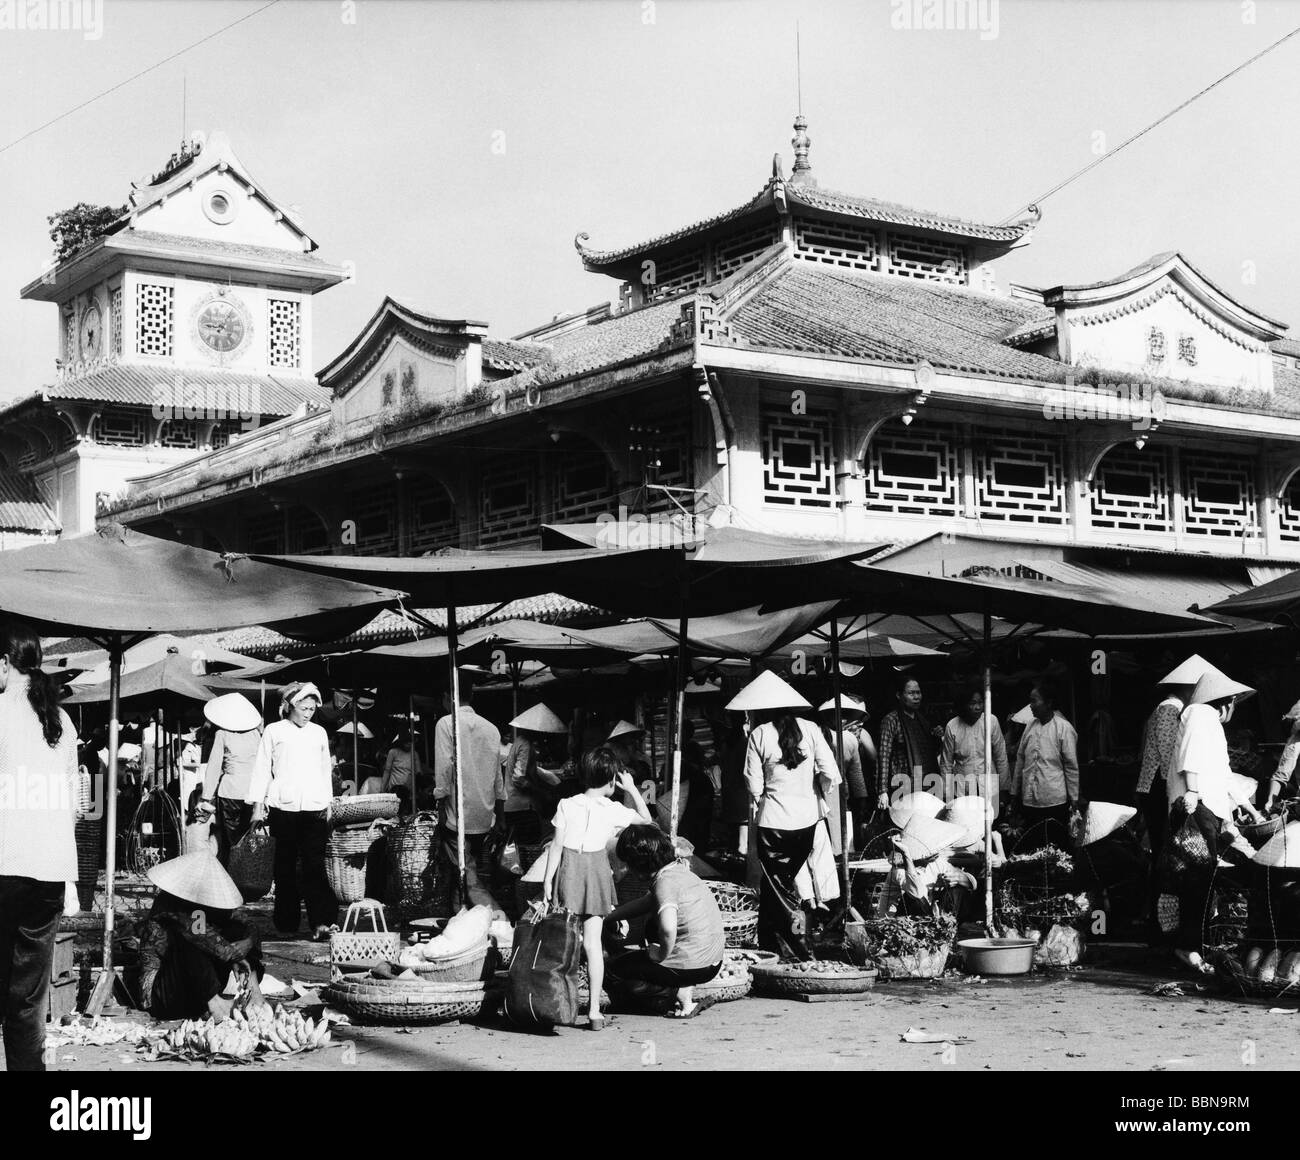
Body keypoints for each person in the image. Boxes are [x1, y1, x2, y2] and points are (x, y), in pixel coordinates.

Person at [0, 620, 79, 1072]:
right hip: (49, 871)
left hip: (6, 863)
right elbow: (71, 805)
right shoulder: (62, 721)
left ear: (5, 664)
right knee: (27, 999)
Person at [541, 746, 653, 1030]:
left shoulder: (567, 804)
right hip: (597, 873)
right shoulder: (613, 809)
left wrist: (547, 881)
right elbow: (647, 820)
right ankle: (593, 1013)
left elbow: (556, 846)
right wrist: (632, 789)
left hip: (569, 871)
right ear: (612, 779)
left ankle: (557, 1005)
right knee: (593, 945)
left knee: (565, 944)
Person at [733, 670, 841, 960]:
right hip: (806, 823)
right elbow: (831, 774)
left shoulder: (759, 734)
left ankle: (800, 949)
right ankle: (771, 947)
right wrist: (814, 791)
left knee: (779, 889)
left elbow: (754, 786)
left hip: (772, 824)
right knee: (778, 888)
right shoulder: (812, 729)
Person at [1159, 668, 1258, 973]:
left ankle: (1190, 946)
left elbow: (1224, 773)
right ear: (1225, 702)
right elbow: (1190, 755)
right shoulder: (1201, 713)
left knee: (1199, 880)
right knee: (1195, 880)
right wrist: (1192, 790)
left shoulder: (1211, 722)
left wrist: (1248, 808)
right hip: (1195, 807)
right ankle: (1186, 948)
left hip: (1207, 809)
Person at [245, 682, 336, 939]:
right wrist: (257, 807)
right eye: (303, 708)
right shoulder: (274, 731)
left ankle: (321, 922)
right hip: (282, 806)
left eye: (311, 709)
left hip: (314, 806)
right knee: (283, 865)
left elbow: (323, 770)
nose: (308, 713)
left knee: (315, 865)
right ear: (290, 706)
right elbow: (262, 769)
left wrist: (328, 803)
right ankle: (286, 922)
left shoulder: (318, 733)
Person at [605, 825, 725, 1019]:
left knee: (612, 969)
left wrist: (660, 954)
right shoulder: (678, 871)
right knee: (651, 927)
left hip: (693, 966)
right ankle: (681, 990)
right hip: (712, 962)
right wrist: (609, 917)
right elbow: (646, 903)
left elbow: (668, 930)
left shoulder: (664, 883)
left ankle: (666, 996)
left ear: (638, 864)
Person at [137, 851, 265, 1021]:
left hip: (196, 991)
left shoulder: (205, 904)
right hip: (163, 996)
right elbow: (198, 933)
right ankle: (215, 1005)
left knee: (236, 930)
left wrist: (247, 942)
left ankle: (254, 992)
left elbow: (249, 924)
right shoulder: (168, 903)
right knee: (191, 940)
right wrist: (234, 956)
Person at [434, 676, 504, 911]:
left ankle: (496, 916)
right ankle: (461, 920)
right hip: (484, 815)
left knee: (466, 874)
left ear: (447, 696)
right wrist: (500, 815)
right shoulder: (492, 729)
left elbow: (444, 768)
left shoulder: (446, 723)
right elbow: (498, 777)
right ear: (471, 695)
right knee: (462, 873)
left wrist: (441, 805)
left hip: (457, 814)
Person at [1137, 656, 1211, 865]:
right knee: (1165, 845)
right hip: (1158, 784)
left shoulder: (1178, 708)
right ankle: (1160, 892)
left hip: (1161, 783)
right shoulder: (1170, 707)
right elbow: (1169, 753)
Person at [1008, 680, 1080, 853]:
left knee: (1056, 847)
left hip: (1054, 800)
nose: (1031, 706)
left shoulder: (1064, 728)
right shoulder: (1029, 727)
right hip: (1029, 799)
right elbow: (1020, 761)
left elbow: (1071, 767)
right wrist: (1014, 793)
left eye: (1034, 701)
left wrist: (1074, 798)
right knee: (1033, 847)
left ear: (1048, 703)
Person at [198, 693, 264, 867]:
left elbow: (214, 767)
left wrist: (205, 797)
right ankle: (246, 877)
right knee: (249, 838)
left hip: (229, 792)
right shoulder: (256, 734)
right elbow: (262, 766)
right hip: (252, 793)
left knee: (229, 842)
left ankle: (231, 880)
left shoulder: (222, 734)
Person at [940, 682, 1009, 811]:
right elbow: (946, 764)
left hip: (989, 786)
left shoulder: (991, 721)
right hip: (963, 788)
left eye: (980, 702)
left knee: (989, 824)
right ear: (962, 705)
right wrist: (947, 794)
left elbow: (1001, 757)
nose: (977, 707)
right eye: (972, 703)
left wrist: (1004, 789)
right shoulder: (952, 726)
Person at [876, 676, 941, 811]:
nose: (916, 697)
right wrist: (882, 790)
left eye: (918, 692)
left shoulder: (922, 719)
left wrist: (936, 737)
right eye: (911, 693)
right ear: (899, 695)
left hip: (926, 782)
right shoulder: (891, 720)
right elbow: (883, 756)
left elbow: (931, 751)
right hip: (902, 783)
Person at [504, 703, 569, 829]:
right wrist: (539, 791)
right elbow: (518, 778)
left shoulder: (519, 741)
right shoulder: (525, 745)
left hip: (514, 803)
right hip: (520, 805)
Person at [380, 729, 426, 815]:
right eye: (406, 742)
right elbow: (387, 771)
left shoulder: (414, 754)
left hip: (409, 791)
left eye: (410, 742)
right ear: (401, 742)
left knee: (407, 815)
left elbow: (419, 772)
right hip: (395, 789)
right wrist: (382, 789)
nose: (408, 744)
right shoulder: (393, 752)